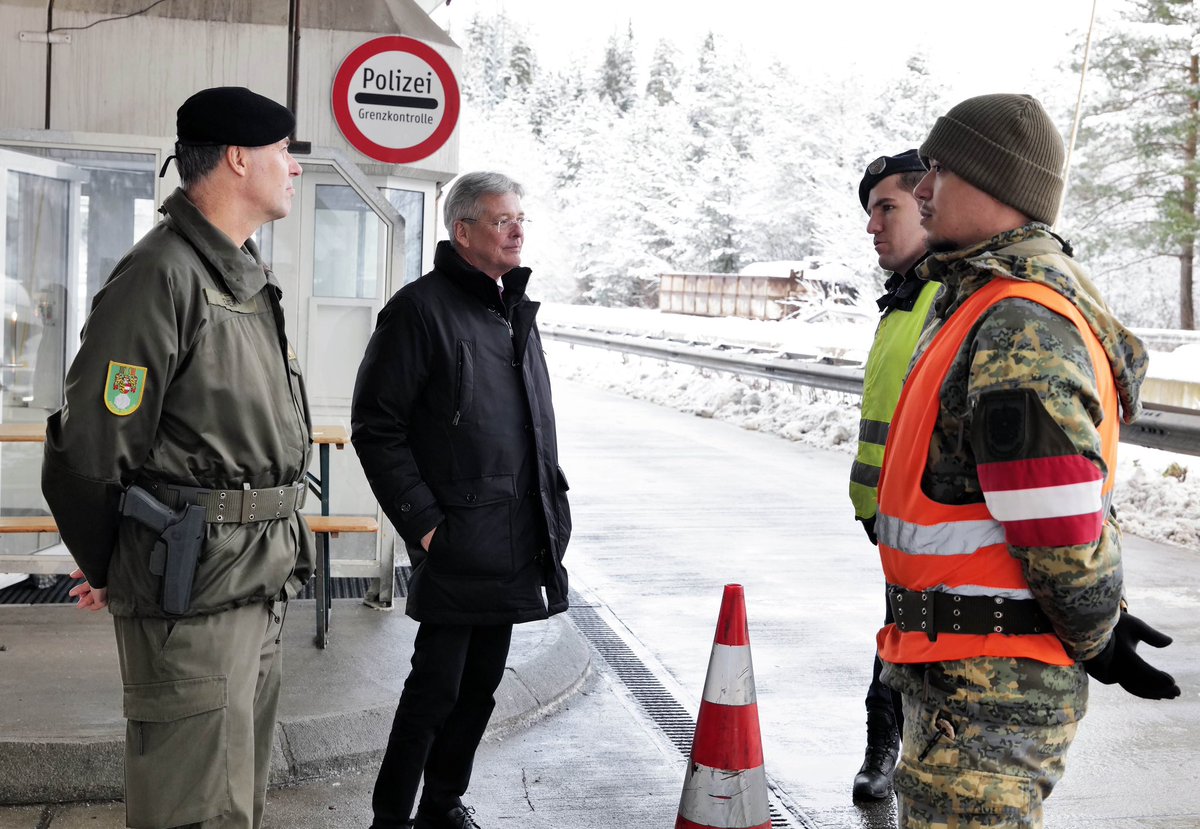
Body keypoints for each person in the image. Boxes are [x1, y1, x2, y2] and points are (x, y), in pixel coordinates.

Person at [875, 93, 1181, 828]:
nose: (920, 190)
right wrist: (1097, 630)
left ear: (999, 187)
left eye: (939, 171)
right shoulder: (979, 304)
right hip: (968, 673)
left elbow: (1054, 519)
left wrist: (1097, 632)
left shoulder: (1018, 323)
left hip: (986, 688)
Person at [41, 87, 314, 829]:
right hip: (193, 594)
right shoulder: (161, 275)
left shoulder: (240, 276)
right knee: (193, 810)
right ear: (236, 157)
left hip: (252, 581)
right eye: (281, 153)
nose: (291, 169)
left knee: (233, 804)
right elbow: (90, 451)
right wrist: (115, 565)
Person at [351, 170, 571, 829]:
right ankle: (392, 814)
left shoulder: (511, 312)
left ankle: (442, 801)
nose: (517, 229)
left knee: (479, 688)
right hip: (454, 540)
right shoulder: (419, 311)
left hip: (510, 536)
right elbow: (377, 426)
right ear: (463, 230)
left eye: (521, 218)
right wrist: (424, 527)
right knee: (435, 689)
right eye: (502, 219)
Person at [850, 149, 941, 802]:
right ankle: (886, 750)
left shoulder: (952, 299)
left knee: (912, 641)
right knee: (897, 634)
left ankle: (892, 754)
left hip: (935, 522)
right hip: (892, 517)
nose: (872, 224)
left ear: (928, 204)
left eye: (887, 207)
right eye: (870, 210)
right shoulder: (905, 301)